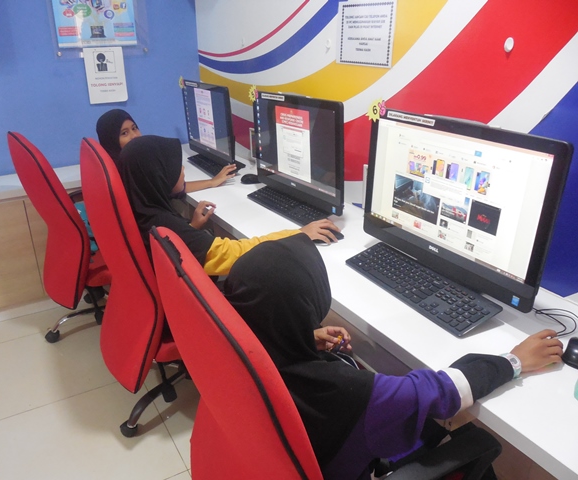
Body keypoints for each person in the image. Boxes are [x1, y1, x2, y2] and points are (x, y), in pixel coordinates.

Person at [223, 233, 564, 480]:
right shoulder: (349, 394)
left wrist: (303, 338)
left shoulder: (232, 358)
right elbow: (439, 392)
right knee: (476, 441)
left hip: (278, 459)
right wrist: (514, 361)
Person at [118, 135, 342, 276]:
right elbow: (234, 254)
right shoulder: (164, 225)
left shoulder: (144, 210)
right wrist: (298, 235)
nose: (183, 169)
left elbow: (179, 247)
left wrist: (192, 228)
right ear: (158, 177)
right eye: (175, 167)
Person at [95, 108, 236, 192]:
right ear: (111, 140)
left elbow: (169, 187)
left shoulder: (126, 165)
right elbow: (173, 189)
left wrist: (211, 182)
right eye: (124, 133)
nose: (134, 136)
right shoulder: (127, 174)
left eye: (134, 128)